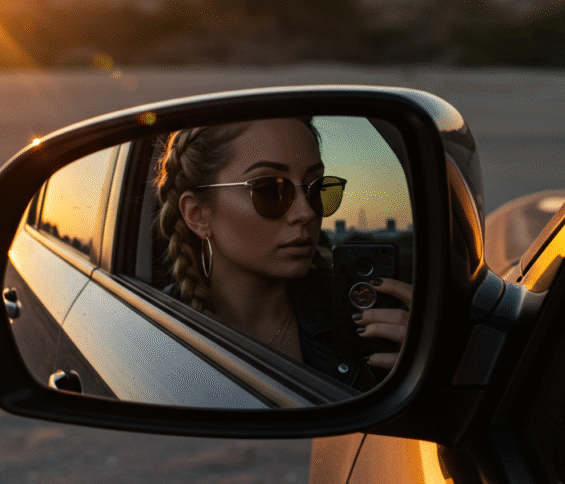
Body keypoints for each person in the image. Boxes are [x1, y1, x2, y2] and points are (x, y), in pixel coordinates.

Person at [154, 118, 409, 389]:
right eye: (269, 190)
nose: (307, 212)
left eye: (317, 187)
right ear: (197, 215)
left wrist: (415, 371)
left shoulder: (361, 315)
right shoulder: (156, 339)